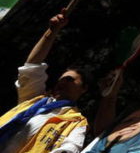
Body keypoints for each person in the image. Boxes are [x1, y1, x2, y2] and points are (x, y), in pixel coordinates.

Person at [0, 9, 90, 153]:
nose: (62, 82)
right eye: (61, 79)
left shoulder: (76, 122)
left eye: (69, 79)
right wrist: (52, 31)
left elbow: (71, 148)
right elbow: (31, 67)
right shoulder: (34, 100)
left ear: (83, 88)